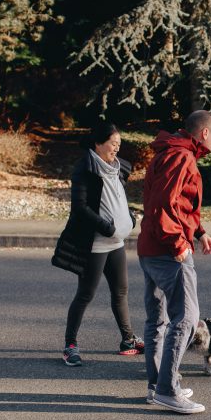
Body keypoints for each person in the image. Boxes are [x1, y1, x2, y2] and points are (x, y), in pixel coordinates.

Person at [138, 110, 211, 414]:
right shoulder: (182, 157)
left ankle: (157, 385)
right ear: (204, 134)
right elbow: (162, 204)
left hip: (150, 248)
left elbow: (172, 201)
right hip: (166, 249)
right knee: (186, 317)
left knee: (158, 320)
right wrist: (179, 244)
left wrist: (199, 231)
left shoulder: (170, 151)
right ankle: (167, 390)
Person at [51, 122, 142, 366]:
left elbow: (119, 198)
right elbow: (80, 209)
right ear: (98, 143)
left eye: (119, 144)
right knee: (85, 294)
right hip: (96, 244)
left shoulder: (117, 167)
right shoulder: (85, 169)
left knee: (121, 291)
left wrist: (129, 218)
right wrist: (108, 227)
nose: (117, 148)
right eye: (113, 144)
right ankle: (70, 345)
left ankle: (128, 340)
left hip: (117, 243)